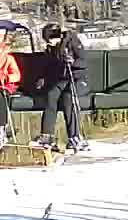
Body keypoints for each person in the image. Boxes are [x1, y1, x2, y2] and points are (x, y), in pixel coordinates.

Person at [33, 22, 88, 151]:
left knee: (68, 100)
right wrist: (43, 78)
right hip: (60, 79)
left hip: (76, 78)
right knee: (51, 97)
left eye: (50, 40)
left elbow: (83, 60)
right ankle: (47, 135)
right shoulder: (51, 47)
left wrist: (72, 62)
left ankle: (74, 136)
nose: (49, 43)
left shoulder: (72, 41)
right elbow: (49, 65)